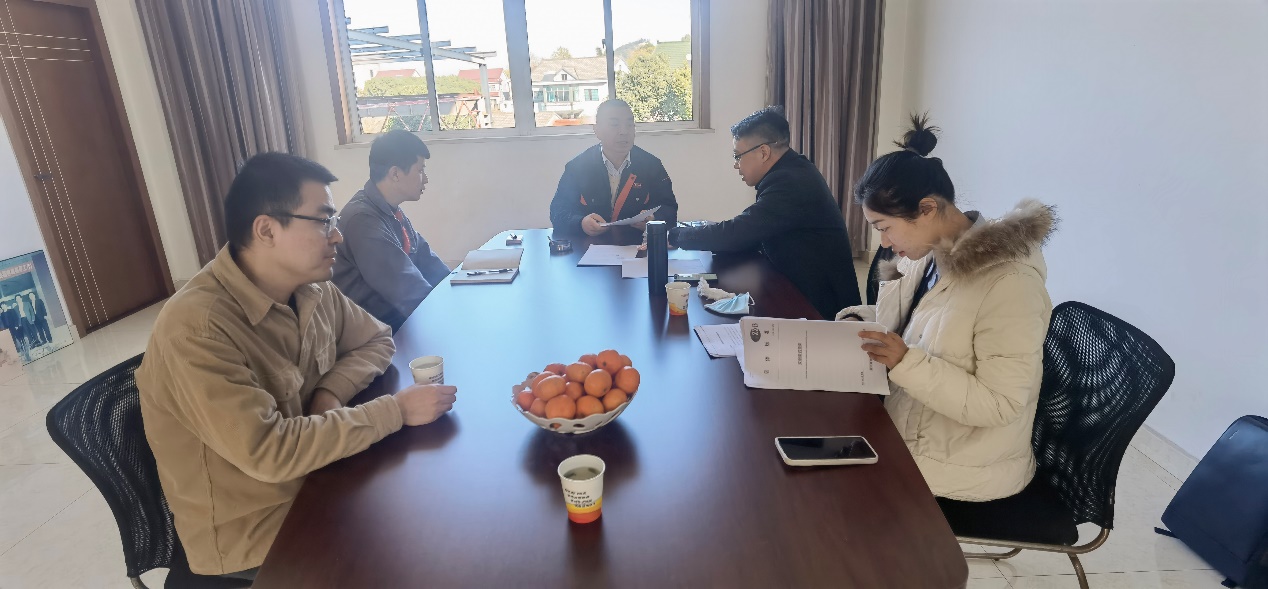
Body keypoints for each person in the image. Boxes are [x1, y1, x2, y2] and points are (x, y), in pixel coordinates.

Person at [137, 152, 458, 580]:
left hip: (323, 476)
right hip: (260, 532)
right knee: (427, 552)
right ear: (267, 230)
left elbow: (377, 338)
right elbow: (270, 452)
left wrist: (329, 392)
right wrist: (394, 411)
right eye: (324, 221)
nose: (337, 236)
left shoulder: (311, 288)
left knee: (446, 506)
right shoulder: (198, 328)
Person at [835, 115, 1056, 506]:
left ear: (927, 208)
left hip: (962, 470)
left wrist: (904, 362)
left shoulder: (1010, 285)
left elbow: (1001, 404)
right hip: (908, 425)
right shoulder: (929, 255)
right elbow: (922, 326)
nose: (883, 243)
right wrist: (860, 320)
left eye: (884, 227)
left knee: (825, 500)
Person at [668, 107, 862, 319]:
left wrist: (674, 236)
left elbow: (739, 233)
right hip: (798, 288)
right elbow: (753, 230)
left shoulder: (791, 183)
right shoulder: (792, 170)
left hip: (821, 311)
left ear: (763, 152)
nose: (736, 165)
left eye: (738, 156)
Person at [333, 130, 451, 331]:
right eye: (420, 170)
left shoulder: (390, 210)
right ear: (395, 173)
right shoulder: (362, 219)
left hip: (396, 317)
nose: (425, 179)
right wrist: (449, 315)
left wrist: (456, 289)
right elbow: (407, 291)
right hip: (375, 329)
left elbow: (427, 261)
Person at [549, 99, 678, 237]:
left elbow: (669, 208)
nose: (624, 131)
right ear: (597, 130)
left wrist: (654, 220)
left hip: (636, 243)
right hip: (590, 244)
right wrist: (581, 223)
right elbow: (558, 212)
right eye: (614, 125)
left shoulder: (651, 165)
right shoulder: (577, 167)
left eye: (629, 125)